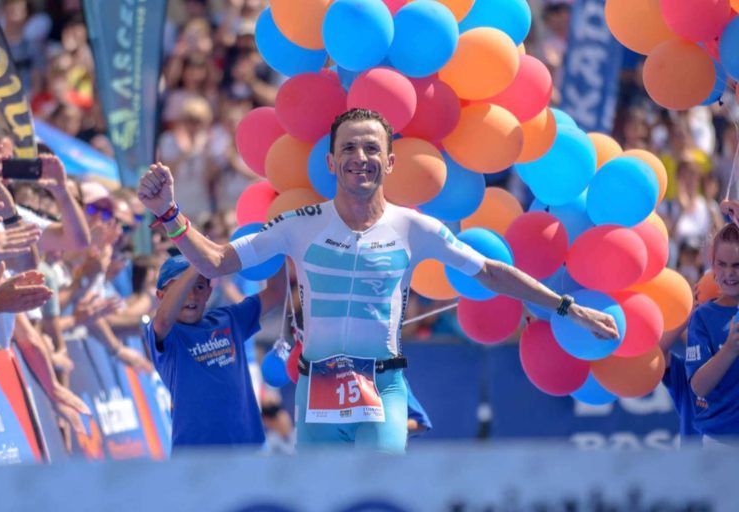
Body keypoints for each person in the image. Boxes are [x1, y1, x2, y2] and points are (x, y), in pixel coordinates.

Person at [138, 108, 619, 453]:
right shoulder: (299, 223)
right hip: (315, 389)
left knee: (377, 495)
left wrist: (567, 307)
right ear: (330, 162)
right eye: (348, 147)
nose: (360, 156)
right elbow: (219, 261)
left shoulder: (414, 227)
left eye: (372, 148)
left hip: (383, 388)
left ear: (390, 163)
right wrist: (170, 214)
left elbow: (491, 271)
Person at [146, 254, 286, 449]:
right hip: (196, 456)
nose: (192, 295)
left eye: (200, 287)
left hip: (247, 450)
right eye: (183, 288)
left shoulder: (229, 319)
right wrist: (199, 264)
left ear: (209, 293)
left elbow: (277, 292)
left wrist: (277, 244)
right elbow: (162, 320)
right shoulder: (167, 334)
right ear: (161, 297)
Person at [686, 222, 739, 446]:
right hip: (720, 443)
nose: (729, 273)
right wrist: (729, 351)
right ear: (712, 266)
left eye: (737, 265)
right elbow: (698, 386)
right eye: (722, 264)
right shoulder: (702, 318)